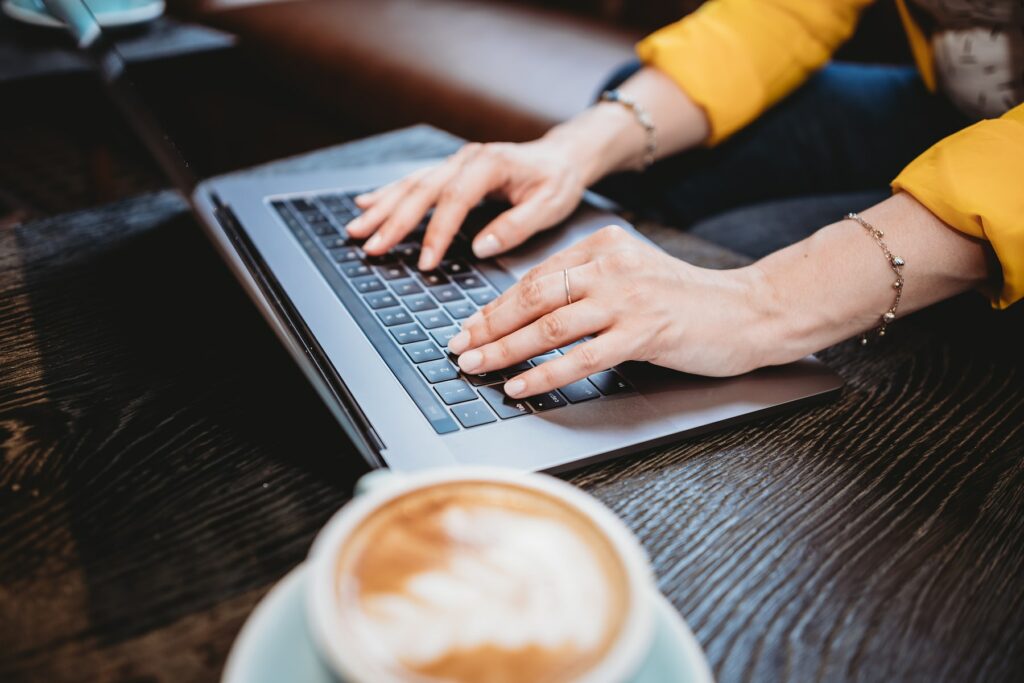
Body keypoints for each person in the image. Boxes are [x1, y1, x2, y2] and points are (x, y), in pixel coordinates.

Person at [344, 0, 1022, 401]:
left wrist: (760, 302)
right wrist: (568, 151)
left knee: (740, 245)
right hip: (948, 111)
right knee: (630, 117)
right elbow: (782, 12)